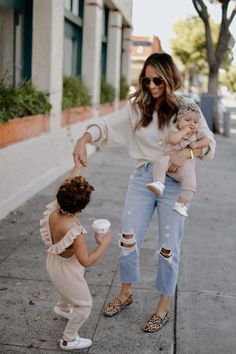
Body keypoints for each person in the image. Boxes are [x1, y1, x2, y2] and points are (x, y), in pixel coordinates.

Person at [73, 53, 216, 333]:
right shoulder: (137, 108)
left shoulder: (188, 107)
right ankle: (126, 293)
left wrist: (186, 152)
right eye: (146, 79)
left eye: (157, 79)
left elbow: (208, 142)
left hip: (174, 182)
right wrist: (83, 138)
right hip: (142, 178)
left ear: (170, 78)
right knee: (128, 238)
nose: (151, 85)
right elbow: (105, 126)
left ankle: (163, 306)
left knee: (168, 247)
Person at [40, 166, 112, 350]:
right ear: (81, 209)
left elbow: (67, 186)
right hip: (67, 271)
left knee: (67, 288)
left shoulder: (54, 210)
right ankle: (69, 339)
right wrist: (104, 243)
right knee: (84, 305)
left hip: (54, 263)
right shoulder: (75, 231)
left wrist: (77, 169)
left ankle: (63, 307)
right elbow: (86, 260)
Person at [145, 101, 210, 217]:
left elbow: (207, 141)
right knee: (161, 161)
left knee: (191, 183)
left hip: (185, 167)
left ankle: (180, 204)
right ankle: (159, 183)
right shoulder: (175, 130)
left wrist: (197, 144)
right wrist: (184, 131)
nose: (191, 124)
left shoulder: (197, 133)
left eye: (195, 122)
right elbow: (173, 140)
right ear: (179, 120)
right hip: (169, 161)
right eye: (187, 120)